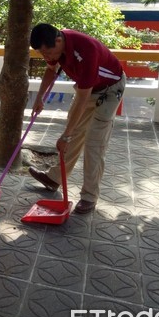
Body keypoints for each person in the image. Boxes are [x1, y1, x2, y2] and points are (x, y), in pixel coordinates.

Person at [28, 23, 126, 214]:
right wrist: (39, 97)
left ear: (58, 41)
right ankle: (54, 178)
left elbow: (82, 98)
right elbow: (51, 70)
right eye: (42, 54)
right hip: (88, 89)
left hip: (110, 90)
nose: (47, 58)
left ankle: (89, 197)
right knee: (73, 135)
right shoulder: (56, 47)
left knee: (93, 144)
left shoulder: (86, 51)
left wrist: (65, 136)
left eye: (48, 53)